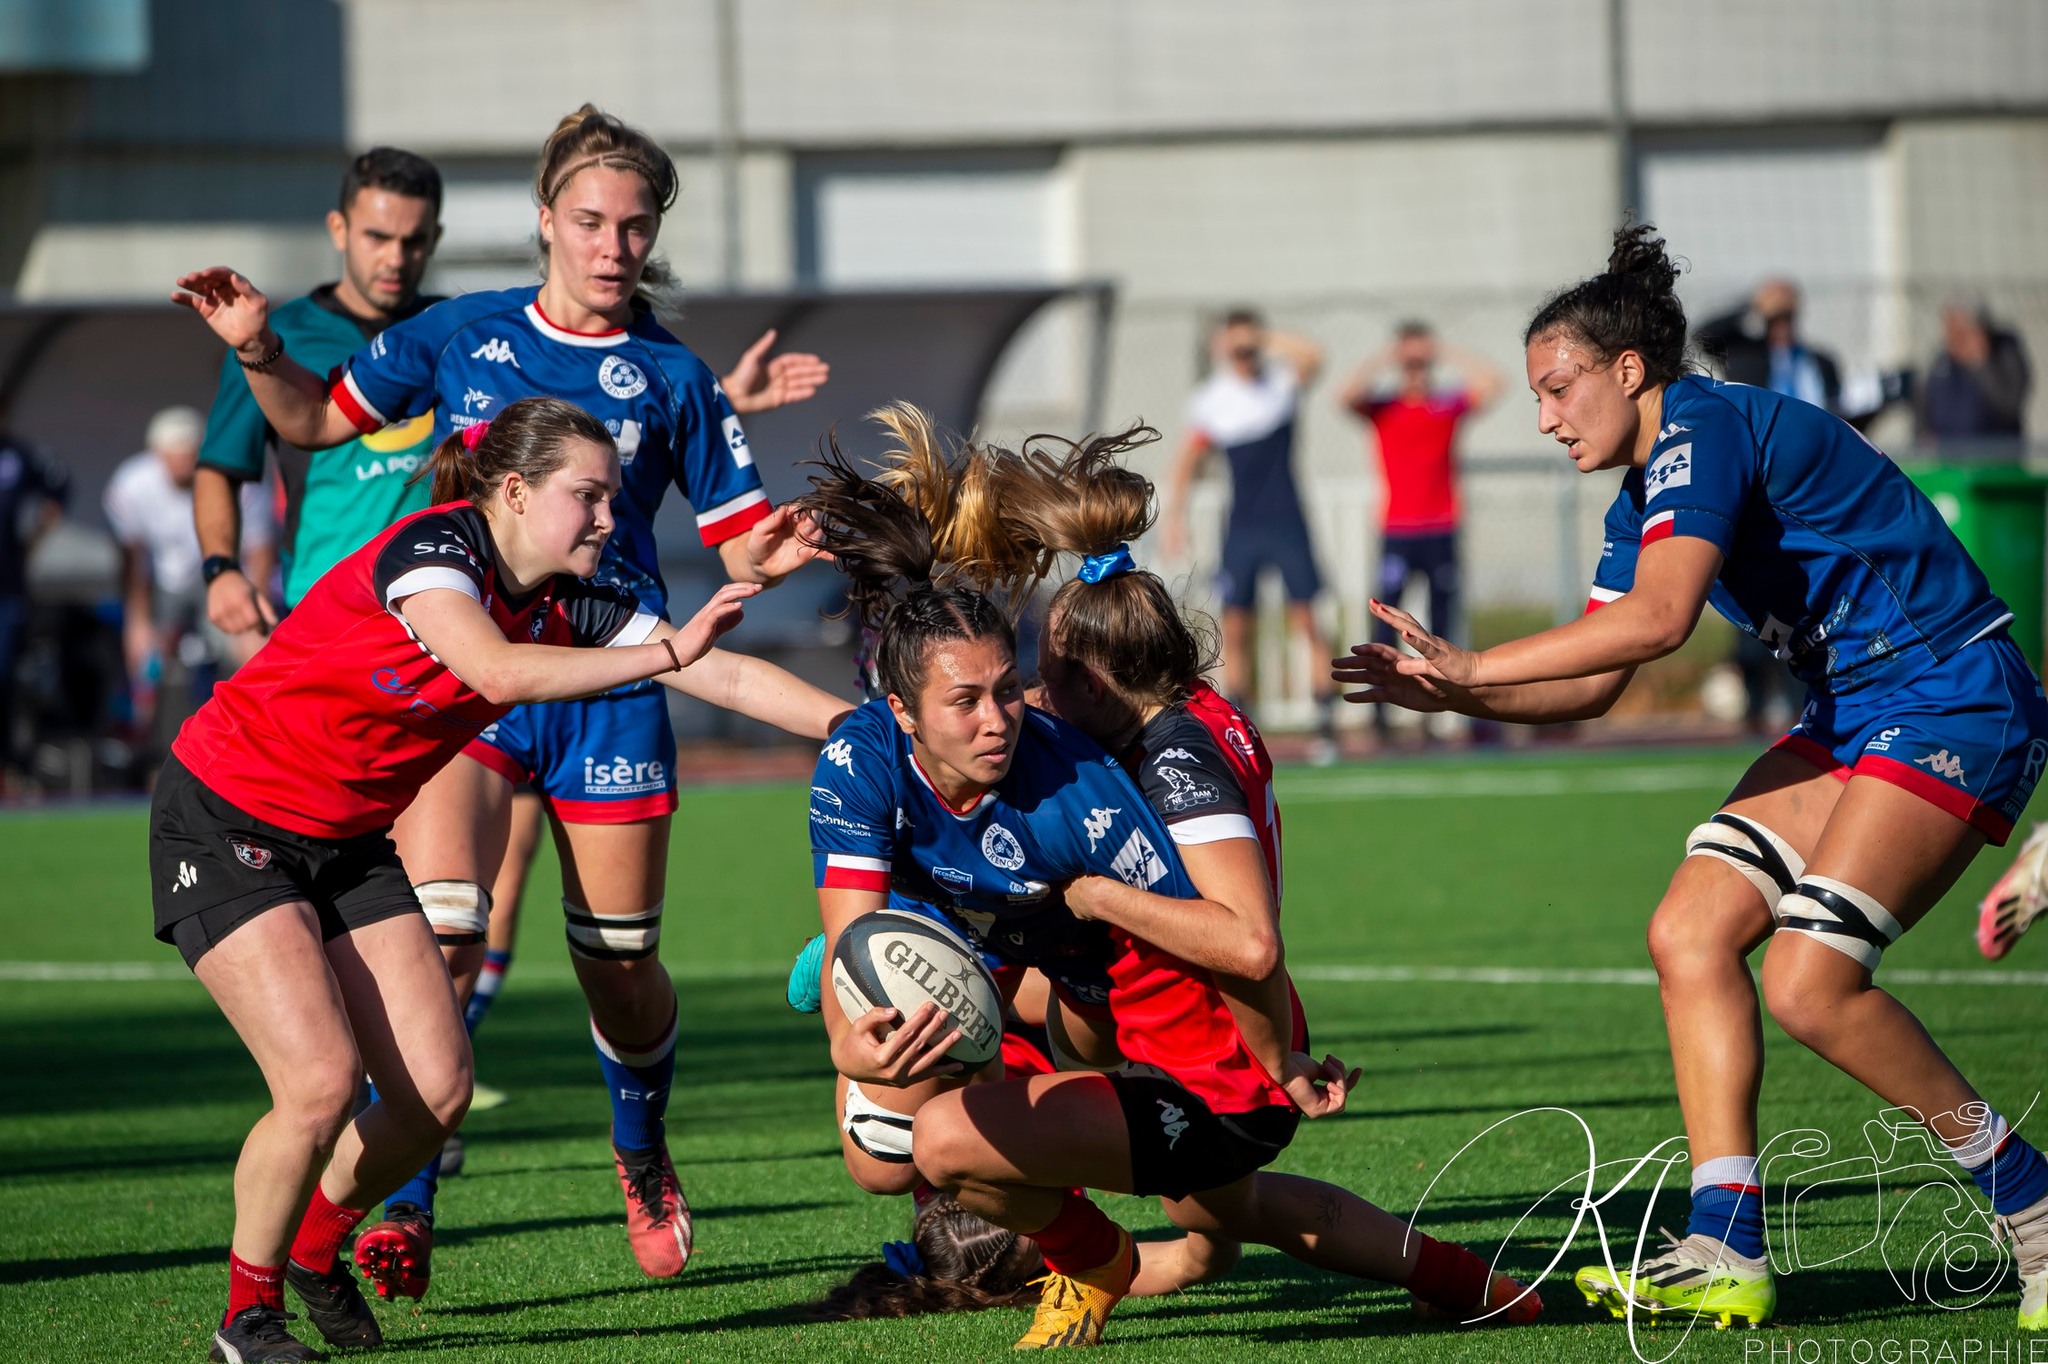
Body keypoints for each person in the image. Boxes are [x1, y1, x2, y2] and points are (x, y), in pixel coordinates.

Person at [1335, 224, 2048, 1332]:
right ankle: (1725, 1240)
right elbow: (1592, 682)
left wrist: (1472, 659)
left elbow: (1659, 620)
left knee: (1808, 983)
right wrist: (1453, 695)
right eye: (1535, 395)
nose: (1543, 416)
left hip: (1951, 692)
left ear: (1629, 369)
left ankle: (2033, 1204)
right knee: (1688, 930)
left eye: (1557, 385)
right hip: (1856, 713)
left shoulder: (1702, 424)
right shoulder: (1642, 492)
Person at [171, 104, 830, 1295]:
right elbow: (318, 425)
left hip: (614, 669)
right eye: (589, 220)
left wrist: (768, 558)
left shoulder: (676, 377)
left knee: (618, 968)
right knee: (445, 928)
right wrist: (264, 353)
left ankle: (641, 1151)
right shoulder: (457, 331)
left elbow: (737, 553)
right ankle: (401, 1200)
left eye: (637, 226)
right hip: (472, 682)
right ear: (544, 222)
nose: (613, 245)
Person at [800, 416, 1542, 1347]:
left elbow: (1246, 945)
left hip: (1207, 1051)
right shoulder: (1154, 723)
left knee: (942, 1141)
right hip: (1162, 1019)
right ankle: (1480, 1283)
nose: (1017, 713)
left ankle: (1097, 1262)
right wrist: (847, 1026)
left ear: (1102, 686)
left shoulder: (1135, 782)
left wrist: (1276, 1063)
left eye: (1035, 684)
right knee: (1227, 1219)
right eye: (983, 697)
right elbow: (861, 875)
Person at [149, 398, 848, 1364]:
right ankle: (247, 1317)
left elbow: (719, 676)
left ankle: (314, 1255)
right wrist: (665, 651)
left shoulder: (575, 590)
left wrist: (868, 732)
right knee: (318, 1085)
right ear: (513, 491)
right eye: (587, 496)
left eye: (610, 497)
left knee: (435, 1093)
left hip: (346, 840)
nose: (608, 518)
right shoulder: (437, 551)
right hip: (229, 816)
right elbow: (496, 672)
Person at [195, 148, 446, 632]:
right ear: (339, 229)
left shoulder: (455, 329)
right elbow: (220, 467)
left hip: (450, 611)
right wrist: (221, 569)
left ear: (434, 239)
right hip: (324, 612)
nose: (395, 258)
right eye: (377, 236)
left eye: (413, 240)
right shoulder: (270, 336)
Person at [1162, 309, 1338, 763]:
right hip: (1242, 524)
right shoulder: (1212, 399)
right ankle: (1240, 721)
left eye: (1248, 346)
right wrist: (1174, 520)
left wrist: (1264, 338)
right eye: (1234, 347)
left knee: (1305, 619)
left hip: (1288, 520)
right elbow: (1186, 462)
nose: (1243, 355)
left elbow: (1315, 357)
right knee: (1236, 625)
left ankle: (1326, 724)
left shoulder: (1279, 385)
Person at [1337, 321, 1502, 739]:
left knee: (1442, 621)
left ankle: (1443, 703)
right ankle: (1381, 709)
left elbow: (1494, 383)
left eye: (1420, 362)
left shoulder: (1445, 405)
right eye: (1409, 362)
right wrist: (1388, 358)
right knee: (1386, 616)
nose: (1416, 370)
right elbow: (1344, 396)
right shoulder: (1385, 407)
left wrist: (1441, 351)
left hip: (1441, 528)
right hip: (1398, 530)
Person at [104, 406, 274, 740]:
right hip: (164, 582)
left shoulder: (234, 479)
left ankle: (256, 735)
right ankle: (144, 742)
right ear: (157, 454)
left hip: (220, 576)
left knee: (255, 648)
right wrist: (138, 621)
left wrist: (256, 601)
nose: (181, 464)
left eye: (188, 455)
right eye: (173, 456)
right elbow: (133, 559)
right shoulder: (131, 484)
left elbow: (259, 546)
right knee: (145, 661)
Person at [0, 430, 68, 782]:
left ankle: (7, 761)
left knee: (5, 675)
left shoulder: (17, 455)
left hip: (7, 586)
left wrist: (36, 538)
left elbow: (58, 487)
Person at [1917, 302, 2032, 450]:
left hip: (1996, 457)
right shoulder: (1942, 362)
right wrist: (1923, 435)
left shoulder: (2004, 353)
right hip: (1947, 460)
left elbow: (2010, 403)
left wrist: (1980, 362)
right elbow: (1923, 402)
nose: (1951, 340)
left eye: (1959, 333)